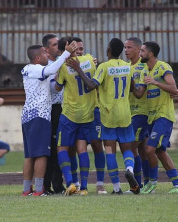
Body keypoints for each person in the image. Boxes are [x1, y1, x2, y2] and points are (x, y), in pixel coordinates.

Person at [66, 38, 140, 194]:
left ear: (108, 50)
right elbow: (133, 89)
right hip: (125, 113)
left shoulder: (104, 67)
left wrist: (79, 69)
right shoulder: (128, 67)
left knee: (110, 150)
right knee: (127, 148)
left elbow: (92, 85)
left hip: (108, 114)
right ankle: (129, 169)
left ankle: (116, 187)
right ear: (121, 51)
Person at [21, 41, 77, 196]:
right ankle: (39, 190)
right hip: (40, 116)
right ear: (38, 58)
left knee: (30, 155)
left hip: (27, 116)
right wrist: (66, 53)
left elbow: (52, 83)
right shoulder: (38, 69)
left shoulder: (27, 69)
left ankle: (27, 190)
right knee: (41, 154)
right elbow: (51, 68)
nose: (48, 55)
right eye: (44, 53)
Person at [133, 41, 178, 194]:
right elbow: (139, 94)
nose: (140, 53)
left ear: (150, 53)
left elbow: (174, 89)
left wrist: (156, 82)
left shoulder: (163, 67)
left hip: (163, 116)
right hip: (152, 117)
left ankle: (152, 183)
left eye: (142, 51)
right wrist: (130, 84)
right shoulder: (144, 71)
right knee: (160, 152)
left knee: (149, 149)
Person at [55, 36, 98, 196]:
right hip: (87, 114)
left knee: (62, 148)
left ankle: (70, 183)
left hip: (70, 114)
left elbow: (58, 88)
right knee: (82, 150)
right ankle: (85, 188)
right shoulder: (89, 59)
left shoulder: (64, 67)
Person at [73, 37, 107, 195]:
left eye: (81, 49)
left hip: (94, 111)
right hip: (76, 114)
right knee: (78, 149)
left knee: (97, 144)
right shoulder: (65, 66)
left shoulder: (91, 62)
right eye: (77, 49)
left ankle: (100, 184)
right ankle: (79, 184)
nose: (80, 52)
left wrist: (95, 63)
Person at [41, 33, 66, 194]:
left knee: (60, 147)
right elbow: (53, 88)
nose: (59, 47)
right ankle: (46, 185)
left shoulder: (59, 63)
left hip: (61, 109)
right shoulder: (48, 66)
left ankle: (58, 185)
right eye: (55, 45)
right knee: (50, 148)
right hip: (50, 109)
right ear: (46, 49)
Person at [124, 37, 149, 191]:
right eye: (125, 47)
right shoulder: (126, 67)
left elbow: (139, 93)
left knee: (131, 146)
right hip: (128, 113)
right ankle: (147, 184)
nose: (126, 50)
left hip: (140, 113)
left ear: (138, 50)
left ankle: (137, 184)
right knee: (143, 150)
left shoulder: (142, 67)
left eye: (129, 47)